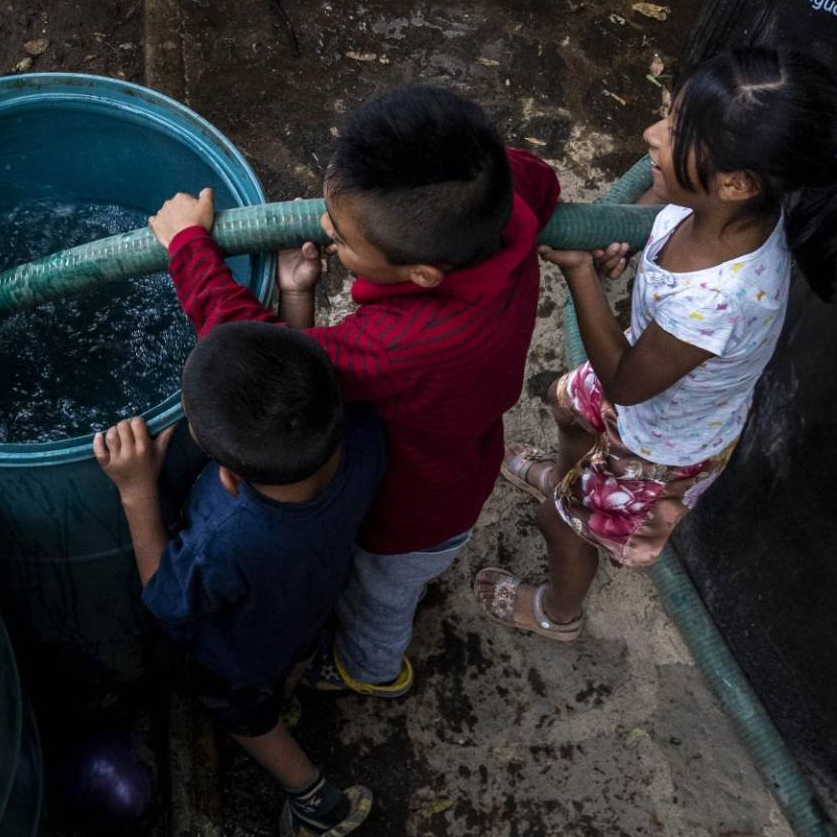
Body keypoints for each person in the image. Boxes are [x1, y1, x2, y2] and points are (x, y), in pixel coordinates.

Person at [147, 86, 560, 698]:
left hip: (412, 516)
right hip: (464, 452)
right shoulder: (504, 194)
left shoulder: (404, 342)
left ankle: (368, 671)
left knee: (380, 598)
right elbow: (541, 178)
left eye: (341, 236)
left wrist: (189, 249)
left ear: (421, 276)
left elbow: (267, 359)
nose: (323, 231)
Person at [475, 47, 837, 639]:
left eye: (674, 129)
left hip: (658, 441)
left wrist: (580, 273)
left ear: (737, 182)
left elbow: (625, 385)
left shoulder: (720, 299)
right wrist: (622, 239)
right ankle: (569, 482)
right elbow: (655, 214)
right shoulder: (721, 209)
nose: (651, 134)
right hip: (649, 381)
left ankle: (557, 612)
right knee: (566, 406)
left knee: (558, 526)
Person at [97, 322, 383, 836]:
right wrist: (297, 302)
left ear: (226, 474)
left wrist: (135, 490)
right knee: (291, 658)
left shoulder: (225, 536)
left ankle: (316, 799)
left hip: (239, 655)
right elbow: (295, 398)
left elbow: (166, 599)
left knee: (244, 713)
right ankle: (289, 692)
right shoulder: (362, 434)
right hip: (309, 607)